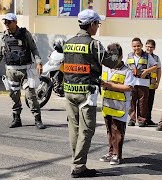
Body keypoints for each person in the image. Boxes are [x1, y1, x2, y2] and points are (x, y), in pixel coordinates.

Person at [62, 9, 121, 178]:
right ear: (91, 24)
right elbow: (111, 62)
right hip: (86, 93)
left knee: (74, 129)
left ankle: (77, 161)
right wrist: (115, 51)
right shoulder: (93, 44)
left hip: (69, 91)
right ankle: (79, 166)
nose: (98, 27)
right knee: (87, 130)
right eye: (97, 24)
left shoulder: (69, 42)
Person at [0, 13, 45, 129]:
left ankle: (37, 119)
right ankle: (16, 119)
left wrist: (39, 62)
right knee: (14, 95)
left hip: (26, 70)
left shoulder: (25, 34)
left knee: (31, 95)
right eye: (5, 22)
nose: (6, 24)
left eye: (9, 22)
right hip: (11, 71)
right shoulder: (2, 36)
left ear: (15, 22)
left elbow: (34, 48)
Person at [99, 43, 134, 165]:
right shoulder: (106, 68)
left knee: (118, 132)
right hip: (107, 105)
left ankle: (117, 155)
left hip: (120, 107)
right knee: (109, 131)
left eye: (115, 57)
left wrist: (109, 85)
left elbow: (129, 87)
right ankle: (110, 152)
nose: (113, 60)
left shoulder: (127, 71)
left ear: (121, 56)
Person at [126, 38, 157, 127]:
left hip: (143, 83)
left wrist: (146, 71)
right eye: (134, 46)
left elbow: (155, 66)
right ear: (132, 47)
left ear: (142, 46)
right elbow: (125, 67)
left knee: (143, 103)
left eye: (138, 46)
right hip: (132, 83)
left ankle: (142, 120)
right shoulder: (129, 56)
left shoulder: (147, 56)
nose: (136, 48)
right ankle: (132, 119)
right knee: (131, 102)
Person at [145, 39, 161, 126]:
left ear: (154, 48)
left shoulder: (156, 58)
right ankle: (140, 118)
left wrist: (157, 82)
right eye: (147, 46)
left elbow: (159, 70)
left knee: (150, 102)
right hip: (142, 83)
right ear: (145, 46)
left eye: (151, 47)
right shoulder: (141, 56)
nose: (149, 48)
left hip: (151, 83)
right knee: (141, 102)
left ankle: (148, 118)